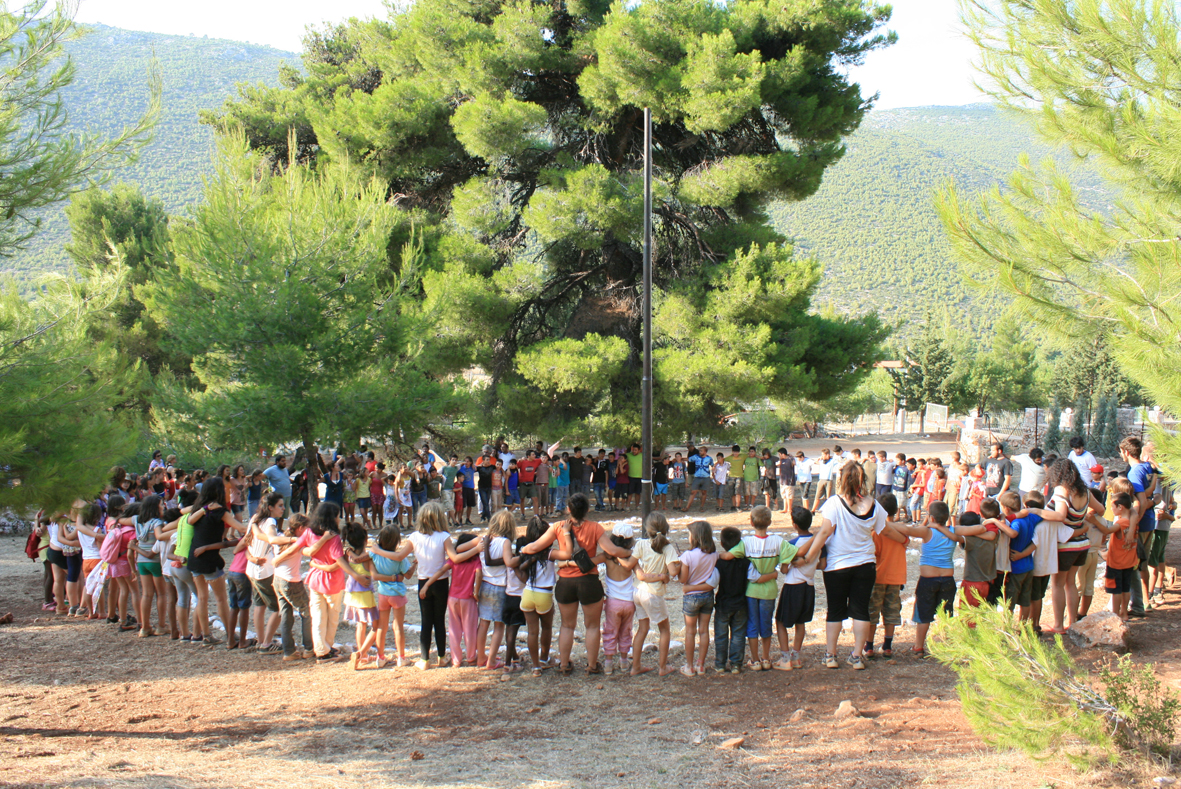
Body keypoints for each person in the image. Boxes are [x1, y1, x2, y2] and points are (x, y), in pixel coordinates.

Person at [522, 493, 631, 675]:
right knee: (592, 626)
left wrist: (524, 549)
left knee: (567, 625)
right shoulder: (595, 528)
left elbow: (536, 546)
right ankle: (592, 665)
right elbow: (611, 550)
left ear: (568, 509)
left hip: (566, 582)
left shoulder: (558, 527)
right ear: (587, 510)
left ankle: (564, 664)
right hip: (589, 581)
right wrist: (629, 552)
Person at [796, 461, 888, 670]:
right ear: (862, 480)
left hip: (837, 565)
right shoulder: (873, 504)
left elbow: (825, 532)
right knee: (860, 610)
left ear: (842, 479)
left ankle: (831, 655)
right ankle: (857, 655)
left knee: (835, 610)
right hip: (865, 563)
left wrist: (810, 557)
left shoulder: (834, 503)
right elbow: (883, 528)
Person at [371, 502, 484, 669]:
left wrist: (378, 551)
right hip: (441, 583)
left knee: (426, 621)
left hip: (423, 582)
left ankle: (424, 660)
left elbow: (399, 555)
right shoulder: (444, 536)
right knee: (439, 620)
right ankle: (441, 657)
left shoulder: (414, 537)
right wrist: (476, 549)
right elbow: (456, 558)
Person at [717, 505, 797, 671]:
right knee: (766, 623)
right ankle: (766, 658)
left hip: (751, 590)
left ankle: (755, 660)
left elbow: (728, 555)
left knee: (752, 623)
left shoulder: (746, 543)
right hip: (769, 591)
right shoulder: (778, 541)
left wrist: (713, 555)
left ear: (751, 522)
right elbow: (795, 552)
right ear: (770, 522)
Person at [1042, 458, 1102, 633]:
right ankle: (1072, 622)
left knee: (1058, 584)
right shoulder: (1085, 492)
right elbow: (1101, 510)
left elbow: (1060, 516)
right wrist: (1083, 520)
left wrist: (1038, 512)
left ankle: (1059, 625)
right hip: (1082, 543)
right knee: (1071, 584)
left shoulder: (1062, 490)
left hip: (1065, 545)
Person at [299, 502, 363, 664]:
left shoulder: (309, 532)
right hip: (331, 582)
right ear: (331, 517)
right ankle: (324, 650)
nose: (339, 518)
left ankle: (322, 648)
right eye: (337, 515)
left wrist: (316, 563)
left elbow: (300, 548)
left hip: (314, 578)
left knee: (318, 616)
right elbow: (339, 561)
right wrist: (355, 574)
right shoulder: (333, 537)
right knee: (332, 617)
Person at [420, 532, 481, 667]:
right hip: (468, 599)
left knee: (454, 630)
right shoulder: (476, 561)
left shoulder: (454, 560)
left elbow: (441, 571)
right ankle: (471, 657)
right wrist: (476, 592)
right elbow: (479, 574)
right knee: (469, 629)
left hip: (453, 598)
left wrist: (427, 584)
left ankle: (456, 660)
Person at [630, 511, 680, 677]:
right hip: (653, 594)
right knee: (664, 630)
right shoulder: (667, 548)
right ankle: (662, 667)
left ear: (647, 529)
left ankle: (635, 666)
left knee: (642, 629)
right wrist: (679, 564)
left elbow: (632, 563)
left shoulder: (641, 544)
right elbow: (673, 572)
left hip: (638, 591)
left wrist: (640, 571)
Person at [775, 508, 824, 670]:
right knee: (800, 622)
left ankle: (785, 657)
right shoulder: (819, 542)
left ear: (794, 525)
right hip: (808, 585)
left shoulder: (791, 544)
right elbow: (822, 565)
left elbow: (784, 570)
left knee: (781, 621)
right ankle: (796, 656)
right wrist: (810, 565)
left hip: (793, 585)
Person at [865, 494, 907, 659]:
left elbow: (873, 554)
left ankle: (869, 646)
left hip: (878, 577)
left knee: (872, 612)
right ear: (896, 510)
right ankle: (887, 646)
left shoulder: (876, 532)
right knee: (891, 612)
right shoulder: (901, 531)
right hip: (896, 577)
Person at [245, 493, 286, 653]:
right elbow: (271, 538)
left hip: (252, 569)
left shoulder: (255, 518)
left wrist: (250, 556)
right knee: (280, 607)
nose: (283, 508)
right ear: (270, 507)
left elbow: (247, 541)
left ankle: (261, 640)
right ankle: (266, 643)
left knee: (259, 605)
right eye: (280, 505)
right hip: (264, 571)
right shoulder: (270, 521)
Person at [516, 515, 556, 677]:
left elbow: (520, 570)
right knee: (546, 627)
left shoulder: (525, 552)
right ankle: (544, 658)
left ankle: (535, 667)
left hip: (528, 593)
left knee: (532, 632)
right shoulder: (549, 554)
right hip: (544, 594)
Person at [369, 525, 415, 667]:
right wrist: (414, 564)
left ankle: (380, 657)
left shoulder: (374, 555)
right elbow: (407, 575)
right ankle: (401, 657)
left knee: (382, 626)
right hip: (397, 594)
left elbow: (373, 573)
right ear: (396, 541)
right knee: (398, 626)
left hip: (383, 594)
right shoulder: (399, 559)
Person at [677, 520, 719, 676]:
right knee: (704, 631)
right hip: (707, 595)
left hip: (691, 597)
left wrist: (679, 566)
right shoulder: (714, 554)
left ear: (694, 537)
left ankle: (689, 666)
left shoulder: (687, 556)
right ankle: (701, 664)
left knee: (690, 632)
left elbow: (683, 579)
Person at [271, 513, 315, 661]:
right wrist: (277, 560)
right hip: (291, 581)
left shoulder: (282, 536)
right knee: (307, 613)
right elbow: (291, 550)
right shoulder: (297, 541)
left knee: (286, 616)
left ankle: (288, 651)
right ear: (301, 528)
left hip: (278, 579)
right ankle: (309, 648)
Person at [476, 510, 514, 670]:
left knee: (483, 623)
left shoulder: (485, 540)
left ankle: (480, 657)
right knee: (499, 625)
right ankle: (491, 660)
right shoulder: (505, 542)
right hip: (500, 586)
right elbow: (508, 562)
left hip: (484, 584)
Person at [600, 523, 638, 675]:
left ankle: (609, 663)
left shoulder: (607, 557)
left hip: (612, 602)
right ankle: (623, 661)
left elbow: (592, 561)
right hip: (629, 601)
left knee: (610, 630)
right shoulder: (632, 557)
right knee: (626, 631)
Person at [341, 522, 379, 669]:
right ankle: (361, 653)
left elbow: (353, 559)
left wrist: (349, 552)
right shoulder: (367, 557)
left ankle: (362, 653)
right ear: (365, 539)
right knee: (376, 626)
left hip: (351, 594)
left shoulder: (348, 555)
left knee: (360, 625)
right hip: (364, 595)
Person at [714, 525, 749, 674]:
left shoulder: (719, 562)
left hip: (723, 603)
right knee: (739, 634)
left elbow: (714, 581)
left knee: (721, 635)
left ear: (722, 543)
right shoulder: (746, 562)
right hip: (741, 603)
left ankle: (720, 664)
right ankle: (736, 664)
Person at [1104, 493, 1138, 620]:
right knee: (1126, 588)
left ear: (1120, 507)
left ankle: (1115, 613)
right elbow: (1134, 511)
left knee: (1116, 590)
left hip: (1116, 562)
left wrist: (1093, 520)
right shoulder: (1133, 520)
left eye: (1112, 506)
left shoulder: (1121, 522)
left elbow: (1107, 531)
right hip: (1129, 560)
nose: (1111, 509)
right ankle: (1124, 612)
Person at [685, 445, 713, 512]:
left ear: (705, 452)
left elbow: (713, 465)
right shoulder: (696, 457)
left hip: (706, 478)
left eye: (701, 451)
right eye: (699, 451)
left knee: (704, 492)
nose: (699, 452)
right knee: (693, 492)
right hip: (697, 477)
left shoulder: (709, 458)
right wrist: (680, 459)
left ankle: (702, 507)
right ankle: (687, 507)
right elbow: (688, 459)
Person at [776, 448, 797, 515]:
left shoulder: (790, 459)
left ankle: (789, 509)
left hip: (789, 481)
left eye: (780, 454)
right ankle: (785, 508)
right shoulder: (781, 460)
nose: (779, 455)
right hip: (782, 480)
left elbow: (795, 463)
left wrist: (791, 457)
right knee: (784, 495)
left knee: (789, 495)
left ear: (783, 454)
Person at [626, 443, 644, 511]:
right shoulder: (628, 455)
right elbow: (621, 458)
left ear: (639, 450)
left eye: (636, 450)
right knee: (630, 492)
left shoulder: (642, 456)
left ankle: (637, 505)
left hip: (640, 477)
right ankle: (628, 506)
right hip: (631, 477)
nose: (634, 451)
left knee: (638, 493)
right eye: (633, 450)